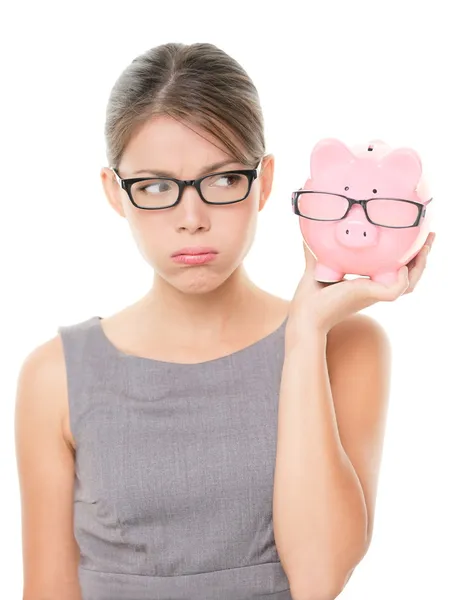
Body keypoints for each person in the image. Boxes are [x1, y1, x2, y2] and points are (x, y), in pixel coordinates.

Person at [15, 42, 434, 600]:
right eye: (157, 186)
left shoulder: (346, 344)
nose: (192, 220)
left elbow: (318, 580)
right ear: (116, 193)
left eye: (221, 180)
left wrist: (306, 333)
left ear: (262, 182)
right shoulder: (56, 375)